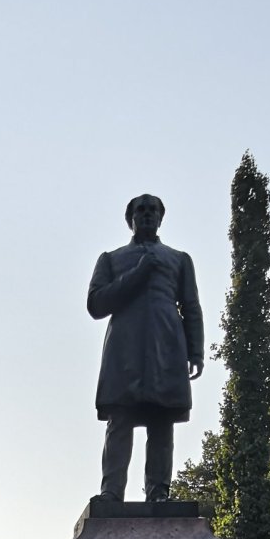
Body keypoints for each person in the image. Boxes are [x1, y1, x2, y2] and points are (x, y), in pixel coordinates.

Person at [88, 194, 204, 503]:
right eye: (141, 210)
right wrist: (139, 271)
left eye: (154, 210)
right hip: (123, 351)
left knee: (161, 423)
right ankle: (111, 492)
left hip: (166, 347)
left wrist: (196, 351)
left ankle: (158, 494)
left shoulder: (179, 259)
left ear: (161, 217)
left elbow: (191, 306)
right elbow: (97, 304)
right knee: (120, 421)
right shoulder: (111, 259)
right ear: (131, 218)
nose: (148, 214)